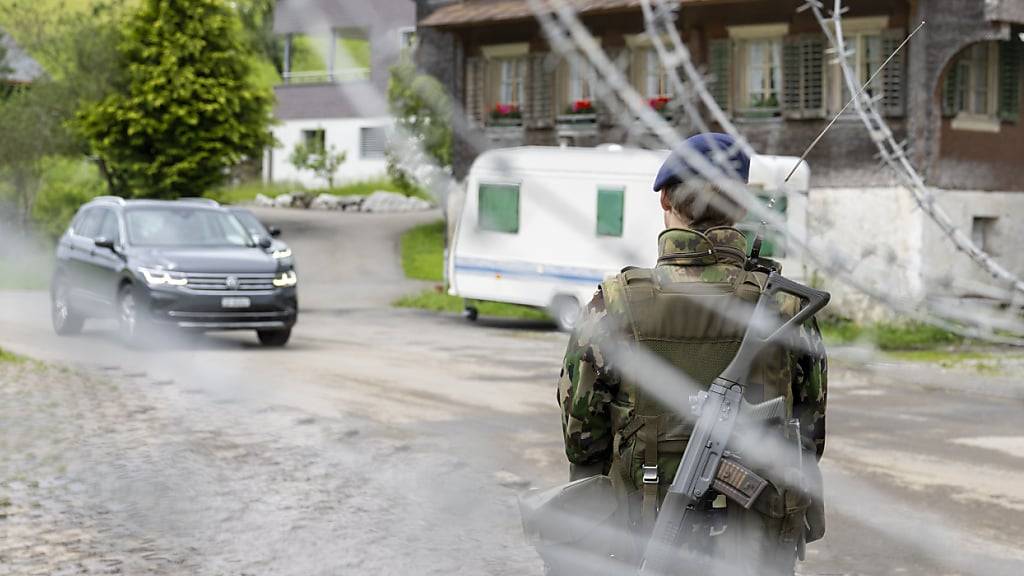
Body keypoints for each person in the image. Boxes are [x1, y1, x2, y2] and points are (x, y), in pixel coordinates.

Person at [555, 133, 828, 575]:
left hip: (639, 536)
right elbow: (810, 437)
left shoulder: (615, 304)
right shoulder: (785, 307)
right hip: (754, 547)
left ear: (665, 199)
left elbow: (581, 441)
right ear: (741, 207)